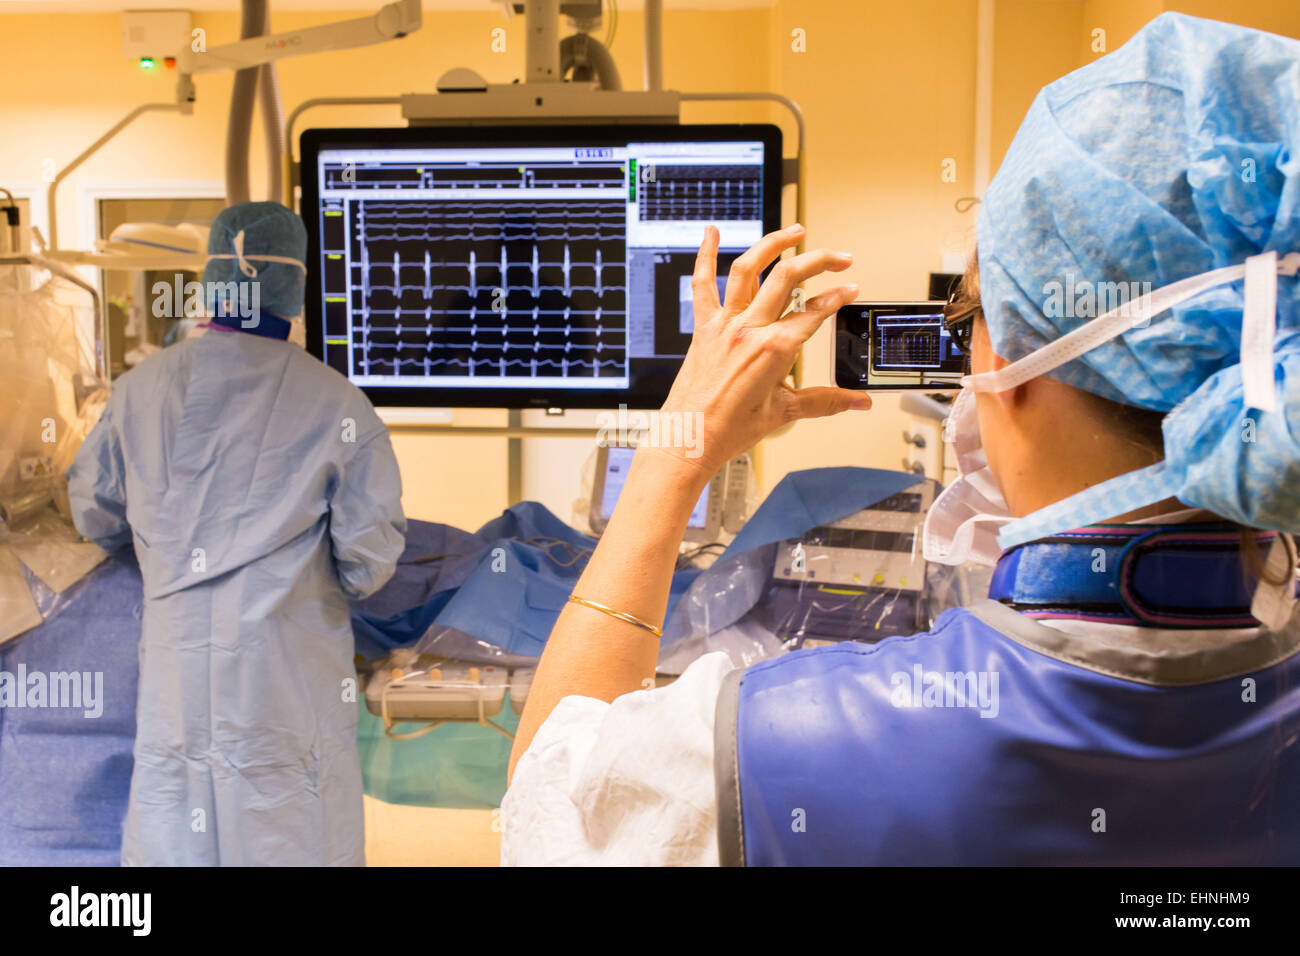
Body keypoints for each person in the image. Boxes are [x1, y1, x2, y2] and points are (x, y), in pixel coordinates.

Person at [500, 12, 1300, 865]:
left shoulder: (763, 749)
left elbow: (549, 801)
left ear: (1016, 366)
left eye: (969, 314)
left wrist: (675, 449)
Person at [67, 202, 407, 866]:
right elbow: (370, 564)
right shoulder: (338, 405)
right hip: (283, 688)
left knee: (176, 827)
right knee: (289, 830)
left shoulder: (138, 391)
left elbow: (95, 513)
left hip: (178, 685)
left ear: (212, 278)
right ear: (297, 286)